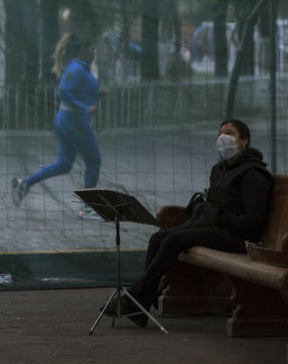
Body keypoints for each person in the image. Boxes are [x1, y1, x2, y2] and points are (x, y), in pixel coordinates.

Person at [108, 119, 273, 327]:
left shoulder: (254, 174)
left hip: (237, 237)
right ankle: (141, 304)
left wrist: (219, 217)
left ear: (244, 140)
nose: (223, 138)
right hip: (212, 227)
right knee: (158, 237)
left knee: (175, 240)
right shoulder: (219, 170)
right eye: (220, 133)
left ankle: (135, 297)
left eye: (229, 134)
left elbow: (254, 221)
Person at [11, 33, 101, 206]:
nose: (94, 53)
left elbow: (76, 93)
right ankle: (89, 208)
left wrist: (97, 96)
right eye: (92, 49)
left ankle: (25, 184)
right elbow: (63, 92)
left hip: (67, 120)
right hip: (74, 122)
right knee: (93, 161)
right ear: (83, 49)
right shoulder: (76, 68)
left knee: (64, 164)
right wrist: (85, 108)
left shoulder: (79, 68)